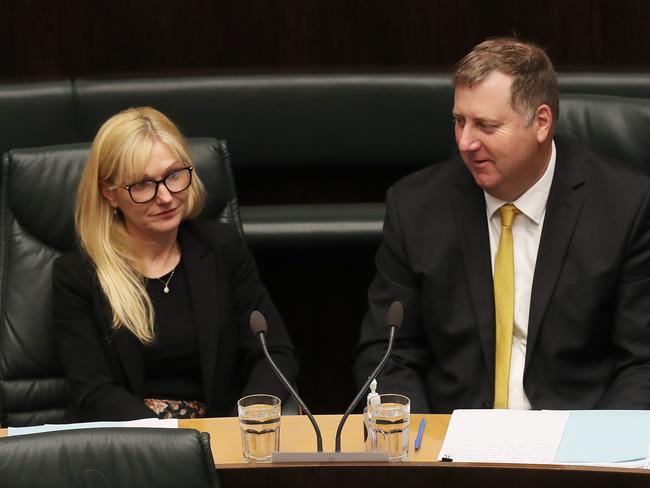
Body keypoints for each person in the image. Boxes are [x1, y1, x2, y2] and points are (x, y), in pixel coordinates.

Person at [355, 38, 650, 413]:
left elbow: (642, 362)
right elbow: (388, 353)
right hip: (452, 445)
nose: (465, 142)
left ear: (541, 122)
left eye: (486, 126)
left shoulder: (624, 206)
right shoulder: (415, 207)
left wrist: (598, 453)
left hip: (574, 443)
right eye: (459, 121)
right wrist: (422, 446)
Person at [53, 107, 297, 421]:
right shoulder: (78, 275)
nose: (166, 197)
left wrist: (252, 416)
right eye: (142, 185)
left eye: (173, 175)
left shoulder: (221, 249)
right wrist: (169, 444)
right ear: (109, 194)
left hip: (224, 433)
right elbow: (94, 390)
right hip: (133, 443)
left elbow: (274, 353)